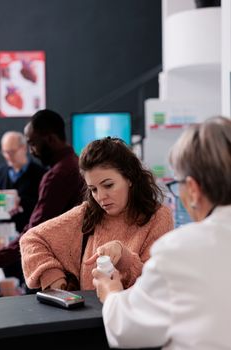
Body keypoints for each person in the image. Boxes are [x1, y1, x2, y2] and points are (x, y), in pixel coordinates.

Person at [92, 116, 231, 350]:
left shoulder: (181, 251)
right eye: (93, 189)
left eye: (179, 187)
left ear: (194, 189)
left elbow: (127, 331)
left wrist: (111, 293)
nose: (101, 196)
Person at [20, 137, 174, 292]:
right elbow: (31, 240)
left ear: (130, 178)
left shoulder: (159, 217)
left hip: (132, 315)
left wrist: (124, 257)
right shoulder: (87, 213)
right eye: (93, 189)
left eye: (108, 185)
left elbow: (156, 285)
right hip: (88, 316)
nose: (101, 197)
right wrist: (53, 277)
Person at [0, 109, 85, 287]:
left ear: (50, 139)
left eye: (33, 144)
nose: (33, 152)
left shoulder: (56, 175)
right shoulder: (76, 165)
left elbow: (34, 231)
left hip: (62, 268)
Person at [0, 131, 46, 282]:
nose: (8, 156)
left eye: (12, 151)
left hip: (30, 238)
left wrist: (21, 201)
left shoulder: (41, 174)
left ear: (23, 148)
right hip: (4, 240)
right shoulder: (0, 173)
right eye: (5, 152)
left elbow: (45, 208)